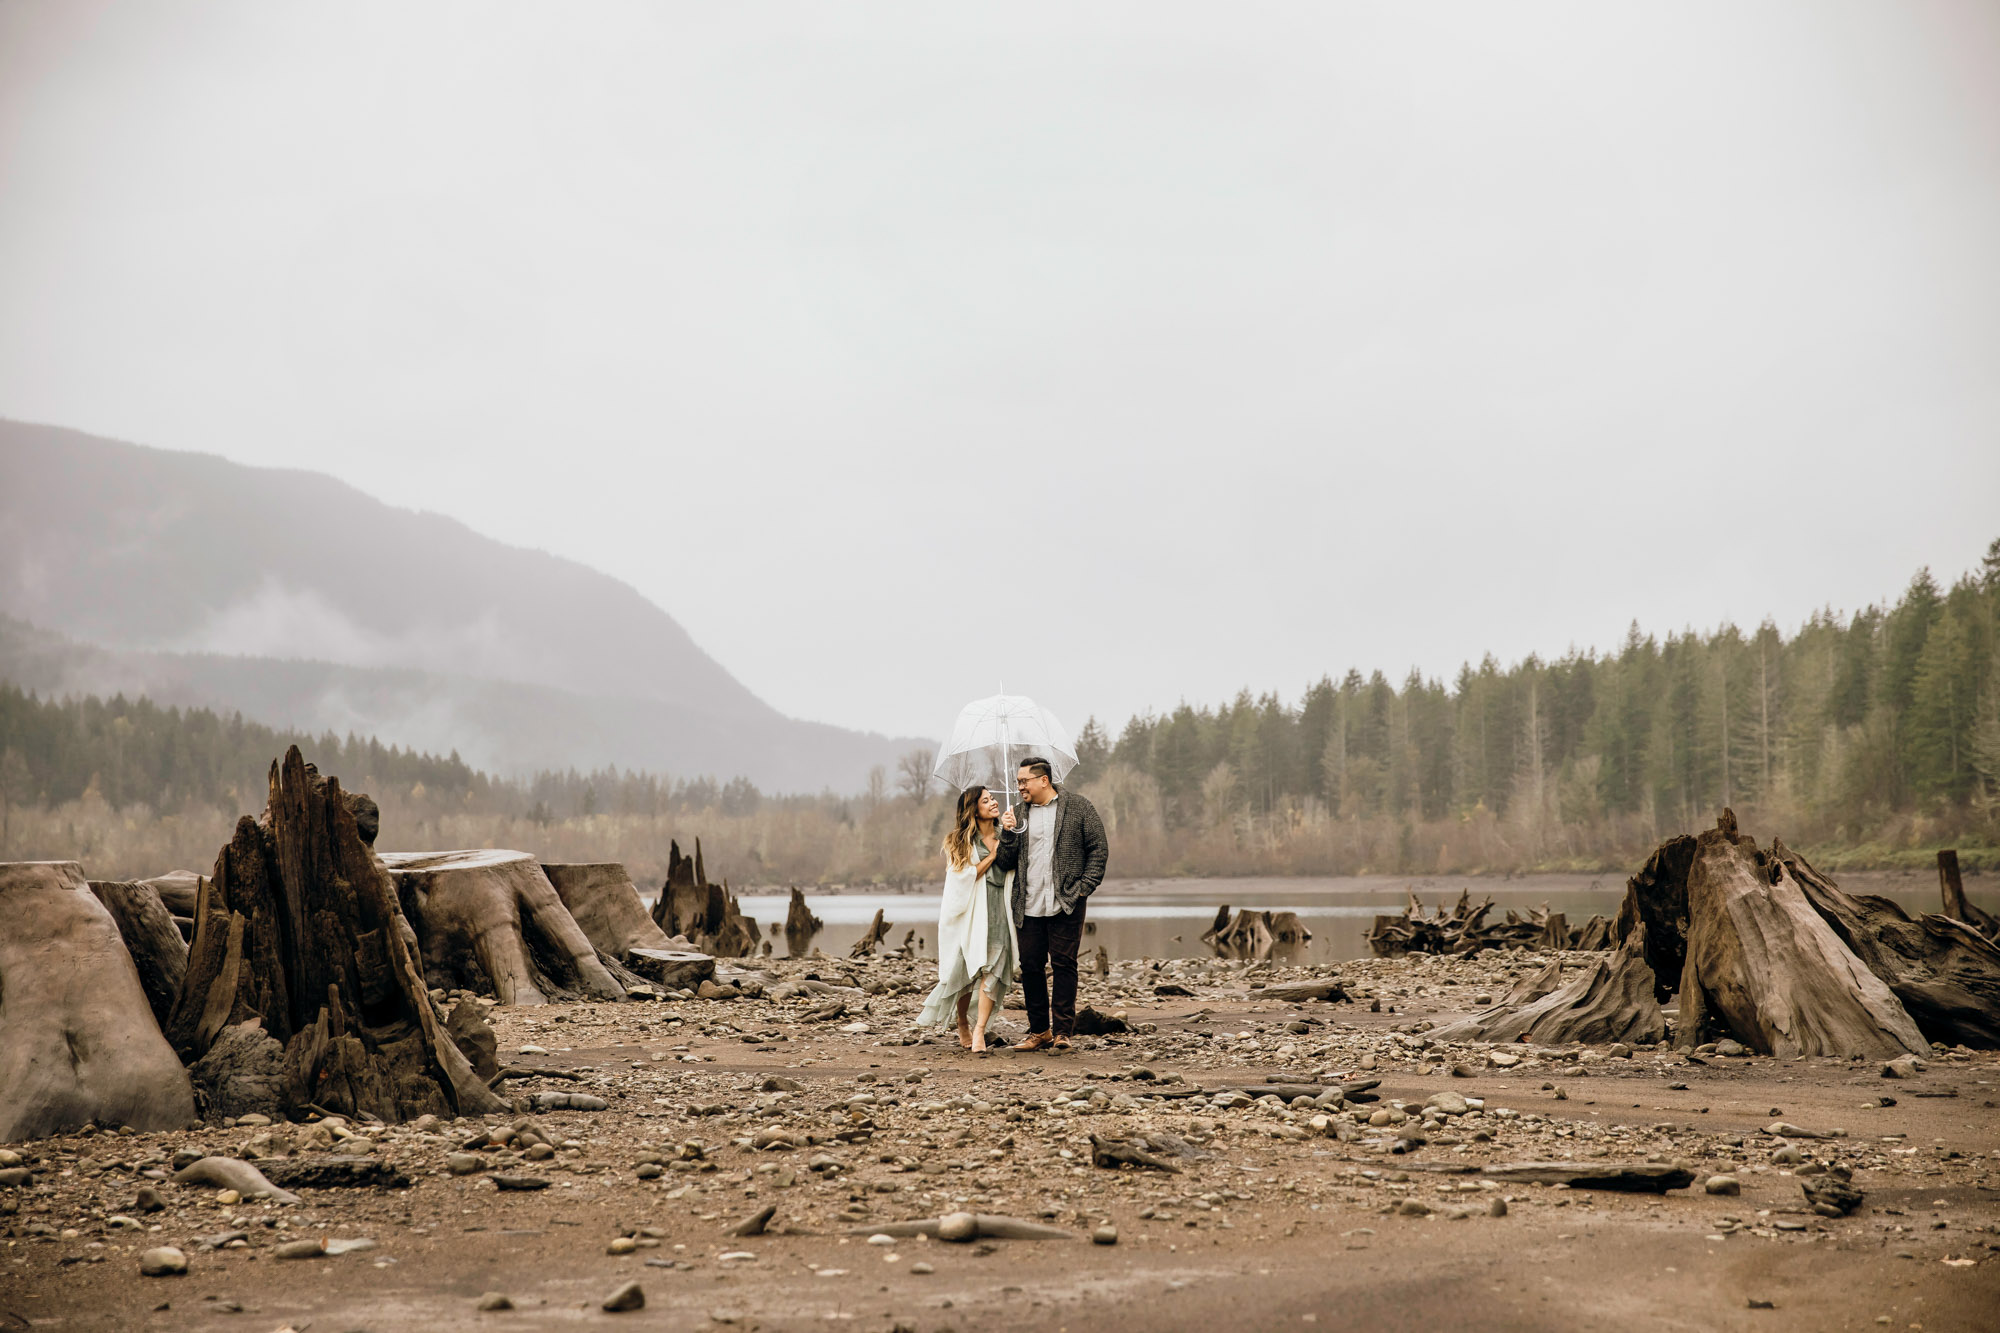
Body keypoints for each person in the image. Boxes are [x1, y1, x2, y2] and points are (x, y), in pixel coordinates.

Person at [993, 756, 1108, 1052]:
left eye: (1024, 781)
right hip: (1027, 903)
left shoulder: (1079, 807)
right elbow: (1004, 864)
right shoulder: (1016, 814)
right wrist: (1006, 833)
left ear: (1044, 780)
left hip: (1067, 901)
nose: (1019, 787)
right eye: (1018, 782)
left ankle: (1063, 1033)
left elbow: (1098, 848)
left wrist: (1084, 888)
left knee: (1064, 965)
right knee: (1030, 966)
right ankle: (1040, 1031)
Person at [915, 785, 1018, 1052]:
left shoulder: (1005, 833)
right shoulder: (958, 841)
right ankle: (962, 1022)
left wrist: (1009, 833)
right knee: (966, 972)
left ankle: (980, 1031)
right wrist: (992, 855)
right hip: (971, 912)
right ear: (974, 809)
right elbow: (961, 877)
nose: (993, 803)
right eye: (987, 800)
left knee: (993, 971)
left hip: (999, 910)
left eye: (993, 798)